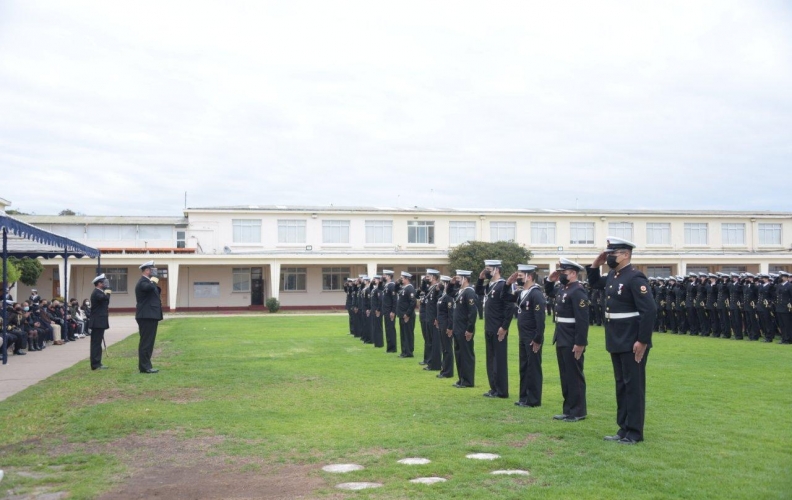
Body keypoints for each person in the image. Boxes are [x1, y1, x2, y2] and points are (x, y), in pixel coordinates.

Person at [587, 236, 657, 444]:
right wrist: (595, 265)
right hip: (616, 338)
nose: (609, 257)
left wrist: (642, 340)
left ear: (626, 255)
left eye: (613, 254)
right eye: (608, 254)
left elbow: (649, 310)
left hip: (631, 340)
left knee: (633, 386)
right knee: (621, 385)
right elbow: (594, 283)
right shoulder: (614, 276)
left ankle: (634, 432)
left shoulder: (635, 277)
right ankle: (623, 428)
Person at [546, 258, 589, 422]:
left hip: (572, 339)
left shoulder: (577, 290)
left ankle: (578, 411)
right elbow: (550, 292)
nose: (560, 274)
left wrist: (580, 343)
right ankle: (568, 409)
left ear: (573, 273)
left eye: (563, 272)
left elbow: (583, 319)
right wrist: (550, 279)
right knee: (565, 376)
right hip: (562, 336)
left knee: (574, 375)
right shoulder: (564, 288)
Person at [506, 264, 545, 408]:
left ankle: (533, 400)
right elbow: (505, 297)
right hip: (523, 336)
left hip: (532, 336)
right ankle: (524, 397)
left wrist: (538, 338)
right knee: (524, 367)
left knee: (533, 368)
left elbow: (540, 319)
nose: (518, 279)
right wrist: (508, 283)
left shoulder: (536, 294)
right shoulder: (522, 293)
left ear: (529, 276)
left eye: (521, 276)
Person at [476, 259, 514, 399]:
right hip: (489, 327)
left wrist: (504, 327)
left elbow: (509, 307)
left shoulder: (503, 285)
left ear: (497, 270)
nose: (486, 271)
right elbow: (478, 291)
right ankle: (494, 388)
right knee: (490, 360)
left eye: (489, 269)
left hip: (499, 328)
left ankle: (502, 391)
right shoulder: (489, 285)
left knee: (499, 361)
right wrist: (480, 279)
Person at [135, 260, 163, 374]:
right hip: (146, 316)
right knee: (146, 342)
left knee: (149, 342)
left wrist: (154, 280)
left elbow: (156, 290)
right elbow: (150, 288)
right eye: (152, 270)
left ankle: (146, 365)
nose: (155, 272)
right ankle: (145, 367)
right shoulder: (143, 282)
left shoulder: (149, 282)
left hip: (150, 315)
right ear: (147, 271)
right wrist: (154, 279)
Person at [451, 270, 477, 388]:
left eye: (458, 279)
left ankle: (468, 381)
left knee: (466, 355)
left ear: (465, 279)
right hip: (457, 328)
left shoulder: (469, 292)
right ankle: (461, 378)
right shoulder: (460, 292)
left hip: (464, 329)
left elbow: (472, 313)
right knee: (459, 354)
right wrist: (451, 284)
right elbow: (450, 292)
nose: (457, 281)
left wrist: (470, 329)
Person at [89, 273, 111, 370]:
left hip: (100, 321)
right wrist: (108, 291)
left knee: (98, 343)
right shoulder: (97, 293)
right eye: (103, 282)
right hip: (97, 321)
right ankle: (95, 364)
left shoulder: (100, 292)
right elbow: (106, 298)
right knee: (96, 343)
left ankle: (98, 362)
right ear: (99, 283)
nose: (105, 284)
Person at [422, 269, 442, 371]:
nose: (426, 278)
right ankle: (430, 363)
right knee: (429, 342)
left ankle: (436, 364)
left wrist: (437, 318)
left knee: (435, 343)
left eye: (428, 276)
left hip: (434, 319)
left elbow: (439, 305)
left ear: (434, 277)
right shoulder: (430, 288)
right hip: (429, 319)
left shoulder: (437, 289)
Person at [436, 275, 455, 379]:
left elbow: (451, 313)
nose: (441, 284)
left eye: (443, 282)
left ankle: (448, 372)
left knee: (447, 349)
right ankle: (444, 370)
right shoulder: (442, 295)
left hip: (446, 326)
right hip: (441, 325)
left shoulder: (448, 297)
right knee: (444, 349)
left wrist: (450, 327)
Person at [395, 271, 416, 358]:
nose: (401, 280)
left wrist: (407, 314)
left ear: (407, 279)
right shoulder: (404, 288)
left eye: (402, 278)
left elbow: (413, 302)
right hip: (402, 315)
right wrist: (397, 283)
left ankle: (409, 352)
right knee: (403, 334)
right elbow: (396, 290)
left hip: (407, 316)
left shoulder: (410, 288)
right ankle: (404, 351)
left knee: (408, 334)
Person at [381, 270, 398, 353]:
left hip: (390, 311)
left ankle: (392, 348)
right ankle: (389, 347)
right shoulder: (386, 286)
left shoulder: (392, 286)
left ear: (389, 276)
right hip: (386, 310)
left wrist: (393, 311)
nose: (383, 277)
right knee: (387, 329)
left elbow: (394, 300)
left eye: (385, 275)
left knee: (391, 329)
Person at [370, 275, 384, 348]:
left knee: (378, 327)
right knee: (375, 327)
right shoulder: (374, 288)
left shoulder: (379, 289)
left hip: (377, 311)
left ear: (378, 280)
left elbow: (380, 300)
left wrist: (378, 310)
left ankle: (379, 343)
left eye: (375, 279)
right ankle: (376, 342)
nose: (374, 280)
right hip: (374, 310)